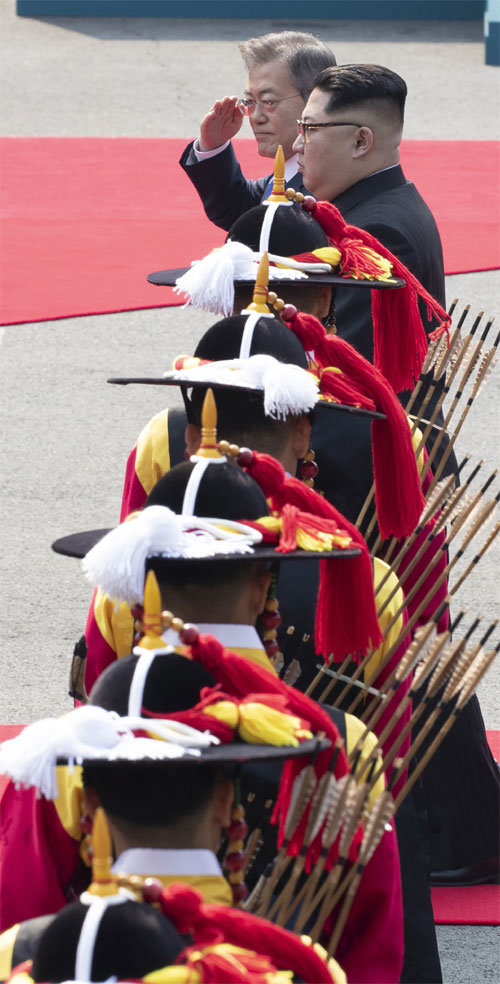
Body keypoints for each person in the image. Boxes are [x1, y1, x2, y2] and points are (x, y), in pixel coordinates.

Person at [179, 31, 336, 230]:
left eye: (269, 102)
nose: (256, 117)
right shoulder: (291, 170)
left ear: (315, 99)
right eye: (251, 102)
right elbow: (239, 211)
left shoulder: (327, 186)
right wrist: (212, 147)